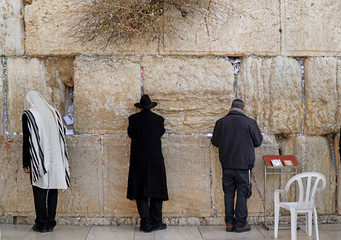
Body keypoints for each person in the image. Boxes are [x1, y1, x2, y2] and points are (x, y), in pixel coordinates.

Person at [21, 91, 70, 233]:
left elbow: (27, 141)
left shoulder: (28, 114)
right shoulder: (53, 112)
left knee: (39, 191)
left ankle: (41, 224)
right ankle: (51, 222)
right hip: (56, 158)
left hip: (38, 158)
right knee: (53, 190)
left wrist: (26, 163)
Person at [211, 99, 262, 233]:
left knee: (228, 193)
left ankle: (229, 223)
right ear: (243, 109)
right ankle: (240, 224)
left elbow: (215, 142)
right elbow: (258, 141)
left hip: (227, 164)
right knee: (242, 193)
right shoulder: (250, 122)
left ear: (231, 108)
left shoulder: (221, 122)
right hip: (244, 166)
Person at [127, 94, 168, 233]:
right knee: (157, 190)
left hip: (138, 159)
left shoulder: (133, 119)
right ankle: (156, 221)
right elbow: (160, 132)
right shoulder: (158, 119)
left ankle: (146, 223)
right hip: (155, 159)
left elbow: (131, 134)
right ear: (151, 106)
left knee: (140, 191)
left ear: (140, 107)